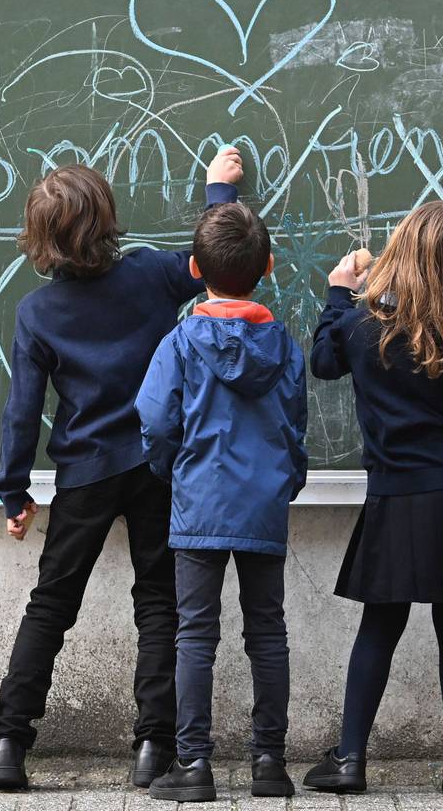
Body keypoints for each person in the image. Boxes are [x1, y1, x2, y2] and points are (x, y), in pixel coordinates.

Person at [0, 149, 245, 791]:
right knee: (159, 602)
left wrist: (13, 491)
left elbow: (23, 412)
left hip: (85, 472)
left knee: (50, 605)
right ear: (107, 220)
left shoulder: (38, 313)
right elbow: (216, 261)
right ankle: (154, 748)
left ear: (41, 238)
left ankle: (8, 747)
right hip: (157, 464)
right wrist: (218, 192)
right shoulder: (152, 276)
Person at [304, 201, 443, 794]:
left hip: (394, 497)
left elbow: (322, 363)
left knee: (379, 627)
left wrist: (340, 295)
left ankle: (349, 759)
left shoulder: (362, 328)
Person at [136, 193, 308, 802]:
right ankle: (269, 764)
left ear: (197, 271)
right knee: (267, 631)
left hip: (200, 500)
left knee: (195, 636)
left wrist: (174, 470)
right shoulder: (284, 345)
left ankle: (195, 766)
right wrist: (288, 478)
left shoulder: (181, 343)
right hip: (262, 503)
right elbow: (294, 423)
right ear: (266, 268)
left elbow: (155, 423)